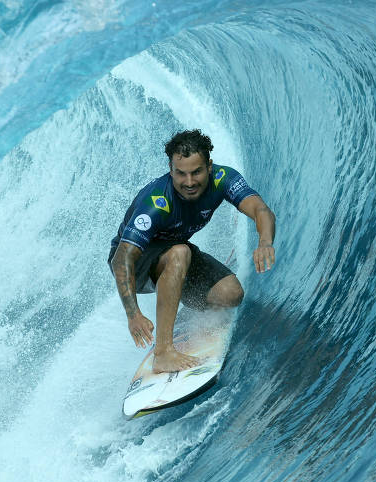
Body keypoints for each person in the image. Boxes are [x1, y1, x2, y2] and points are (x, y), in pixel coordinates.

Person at [108, 129, 276, 373]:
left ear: (209, 165)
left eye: (196, 172)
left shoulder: (223, 179)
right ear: (171, 169)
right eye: (181, 174)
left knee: (230, 294)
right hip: (137, 265)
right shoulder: (157, 202)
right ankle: (163, 353)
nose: (189, 182)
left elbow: (260, 210)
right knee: (179, 253)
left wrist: (265, 242)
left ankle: (179, 307)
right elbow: (121, 258)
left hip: (175, 254)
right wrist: (133, 314)